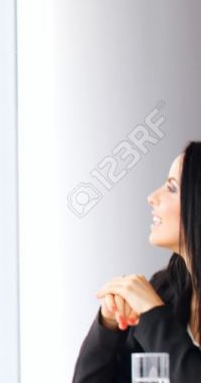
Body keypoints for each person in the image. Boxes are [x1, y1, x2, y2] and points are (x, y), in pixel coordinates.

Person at [73, 142, 201, 382]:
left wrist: (154, 315)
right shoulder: (165, 290)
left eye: (171, 188)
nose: (152, 197)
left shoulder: (155, 307)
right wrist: (108, 326)